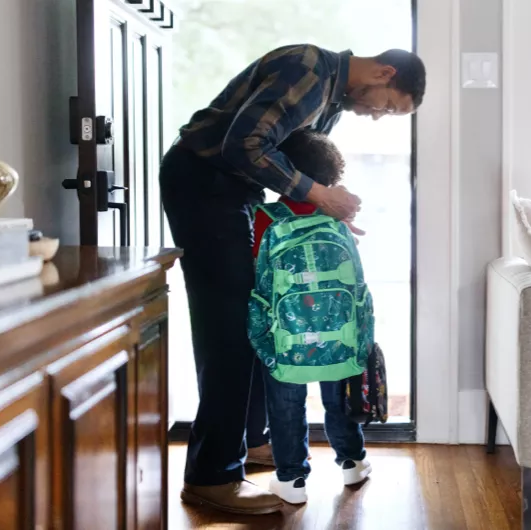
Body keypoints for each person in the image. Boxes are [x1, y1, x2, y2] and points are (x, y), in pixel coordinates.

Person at [160, 44, 425, 515]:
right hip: (203, 187)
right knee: (228, 327)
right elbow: (242, 145)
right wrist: (321, 196)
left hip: (234, 192)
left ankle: (252, 442)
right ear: (384, 73)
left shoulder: (332, 99)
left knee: (260, 315)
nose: (378, 116)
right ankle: (211, 476)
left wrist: (326, 218)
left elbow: (296, 164)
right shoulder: (308, 70)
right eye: (387, 106)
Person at [250, 129, 371, 504]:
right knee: (339, 399)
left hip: (287, 339)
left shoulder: (266, 216)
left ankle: (292, 481)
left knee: (286, 404)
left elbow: (256, 273)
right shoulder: (335, 218)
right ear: (331, 177)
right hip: (339, 337)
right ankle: (352, 462)